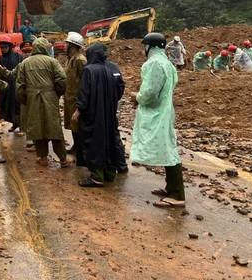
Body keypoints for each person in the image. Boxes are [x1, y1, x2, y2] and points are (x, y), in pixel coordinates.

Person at [131, 32, 185, 208]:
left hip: (157, 113)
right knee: (168, 146)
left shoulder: (154, 63)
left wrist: (137, 96)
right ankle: (171, 188)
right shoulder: (167, 63)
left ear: (149, 46)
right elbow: (173, 83)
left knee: (169, 151)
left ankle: (177, 195)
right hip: (166, 110)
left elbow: (150, 93)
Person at [74, 43, 125, 187]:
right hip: (108, 114)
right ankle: (109, 173)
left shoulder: (88, 70)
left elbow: (85, 93)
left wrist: (78, 110)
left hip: (93, 115)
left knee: (93, 143)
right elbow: (118, 90)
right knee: (108, 141)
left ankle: (96, 176)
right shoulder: (109, 70)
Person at [15, 37, 68, 167]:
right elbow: (62, 80)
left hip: (33, 98)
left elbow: (20, 86)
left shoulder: (25, 63)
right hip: (50, 98)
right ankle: (63, 159)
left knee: (37, 128)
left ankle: (42, 157)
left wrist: (25, 100)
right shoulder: (52, 62)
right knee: (54, 127)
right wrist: (57, 94)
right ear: (45, 47)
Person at [63, 32, 86, 155]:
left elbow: (85, 81)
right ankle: (75, 146)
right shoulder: (70, 59)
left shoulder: (80, 60)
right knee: (72, 125)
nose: (65, 46)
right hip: (69, 98)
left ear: (73, 46)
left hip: (77, 98)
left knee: (78, 125)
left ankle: (80, 148)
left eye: (67, 44)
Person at [0, 36, 25, 134]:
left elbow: (20, 72)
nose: (3, 50)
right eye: (2, 48)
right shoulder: (0, 58)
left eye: (5, 47)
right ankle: (14, 124)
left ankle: (21, 126)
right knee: (6, 106)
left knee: (17, 106)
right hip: (5, 86)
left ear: (9, 47)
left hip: (15, 86)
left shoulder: (18, 57)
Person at [19, 41, 35, 149]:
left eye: (29, 52)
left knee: (35, 117)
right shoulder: (21, 65)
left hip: (36, 95)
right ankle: (30, 137)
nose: (27, 54)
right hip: (25, 95)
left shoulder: (37, 63)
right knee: (25, 117)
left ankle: (36, 140)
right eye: (25, 52)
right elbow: (12, 74)